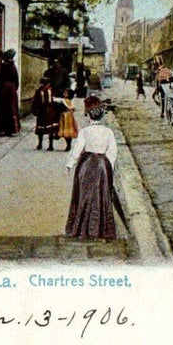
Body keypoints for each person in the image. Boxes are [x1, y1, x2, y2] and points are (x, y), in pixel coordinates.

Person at [65, 95, 121, 239]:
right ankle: (99, 229)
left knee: (84, 195)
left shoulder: (85, 131)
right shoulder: (108, 132)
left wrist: (70, 164)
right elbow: (112, 151)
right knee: (101, 195)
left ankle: (81, 228)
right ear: (101, 116)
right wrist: (109, 166)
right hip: (102, 165)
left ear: (89, 116)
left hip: (87, 164)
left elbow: (77, 150)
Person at [0, 49, 20, 136]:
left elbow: (0, 78)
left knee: (5, 109)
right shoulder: (11, 67)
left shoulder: (3, 67)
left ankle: (5, 130)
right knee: (9, 109)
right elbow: (16, 81)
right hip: (9, 90)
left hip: (5, 90)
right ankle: (9, 130)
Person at [31, 75, 59, 151]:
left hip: (41, 112)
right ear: (48, 83)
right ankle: (50, 145)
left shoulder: (38, 91)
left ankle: (40, 144)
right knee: (50, 129)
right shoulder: (51, 90)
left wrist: (34, 110)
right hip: (50, 111)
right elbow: (54, 100)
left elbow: (35, 101)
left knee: (41, 128)